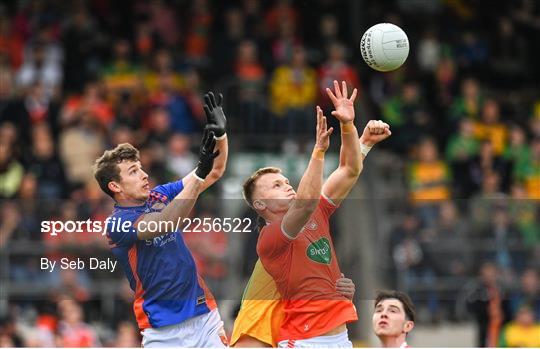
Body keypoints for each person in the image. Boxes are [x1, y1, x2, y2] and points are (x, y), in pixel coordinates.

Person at [238, 81, 391, 347]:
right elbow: (304, 205)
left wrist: (348, 126)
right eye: (276, 185)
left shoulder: (315, 210)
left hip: (340, 338)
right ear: (260, 205)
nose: (287, 185)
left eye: (286, 181)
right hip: (304, 340)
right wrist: (319, 151)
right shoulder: (270, 238)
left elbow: (349, 170)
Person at [93, 92, 229, 347]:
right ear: (115, 186)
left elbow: (216, 170)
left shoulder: (161, 194)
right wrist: (199, 173)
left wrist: (221, 134)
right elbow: (165, 223)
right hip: (163, 333)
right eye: (134, 171)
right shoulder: (116, 224)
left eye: (141, 167)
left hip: (205, 318)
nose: (144, 174)